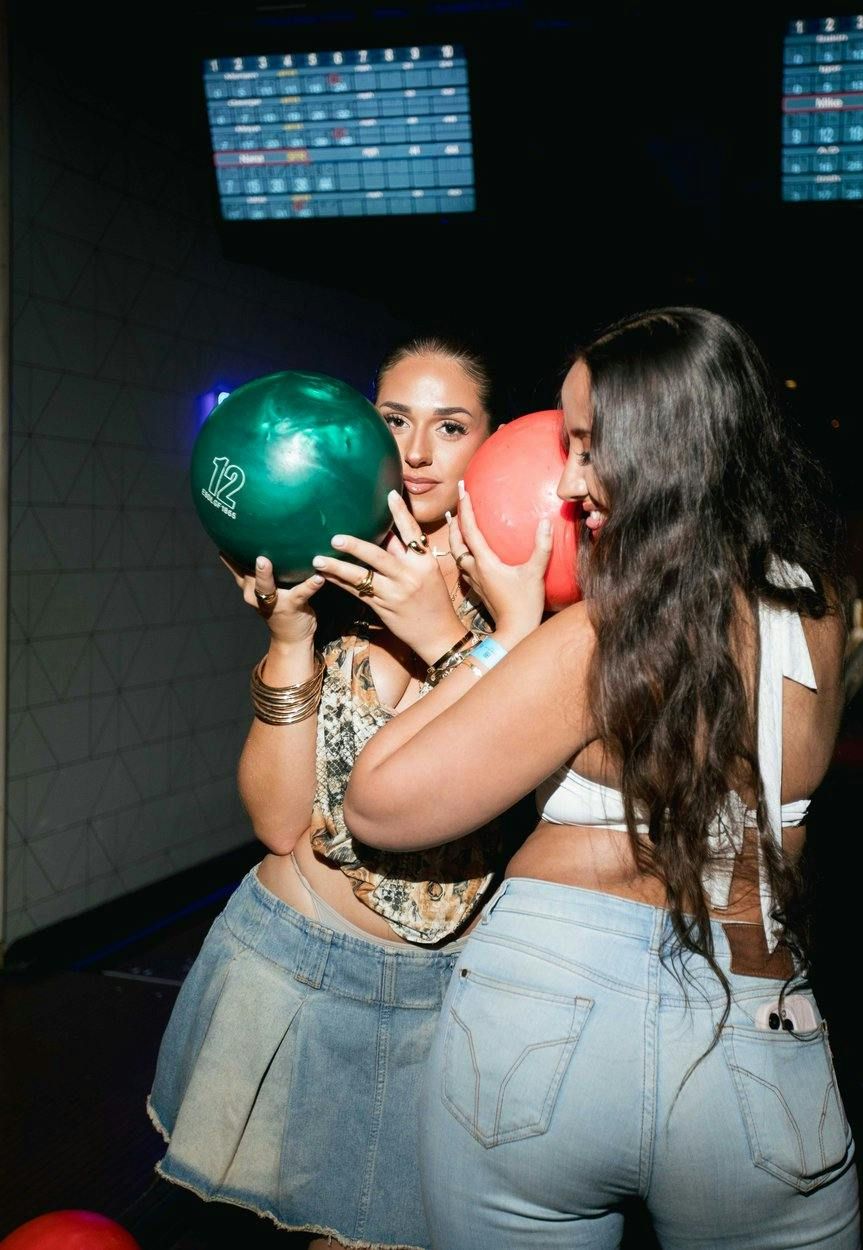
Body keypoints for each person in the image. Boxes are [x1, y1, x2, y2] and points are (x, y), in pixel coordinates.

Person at [343, 308, 861, 1248]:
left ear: (665, 448)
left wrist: (486, 639)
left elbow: (380, 802)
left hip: (542, 1026)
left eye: (588, 445)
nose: (570, 481)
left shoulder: (600, 640)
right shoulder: (818, 607)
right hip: (757, 1035)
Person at [148, 337, 531, 1250]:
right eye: (394, 420)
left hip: (442, 997)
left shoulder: (528, 604)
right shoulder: (327, 580)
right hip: (289, 965)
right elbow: (278, 823)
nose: (417, 451)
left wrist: (452, 640)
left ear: (494, 443)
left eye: (450, 425)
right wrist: (288, 639)